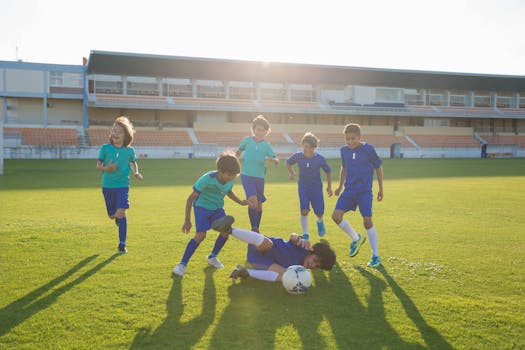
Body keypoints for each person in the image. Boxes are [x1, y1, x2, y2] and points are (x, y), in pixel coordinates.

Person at [172, 151, 248, 277]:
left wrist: (240, 202)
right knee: (201, 235)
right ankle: (182, 265)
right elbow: (190, 199)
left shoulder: (231, 179)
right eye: (229, 175)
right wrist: (187, 220)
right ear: (220, 171)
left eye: (234, 176)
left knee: (226, 231)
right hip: (202, 208)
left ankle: (212, 257)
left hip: (217, 209)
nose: (231, 178)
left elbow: (228, 191)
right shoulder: (207, 179)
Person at [210, 215, 336, 282]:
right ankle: (229, 229)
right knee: (268, 244)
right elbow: (292, 236)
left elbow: (293, 279)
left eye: (318, 266)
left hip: (261, 262)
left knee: (286, 276)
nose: (314, 265)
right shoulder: (303, 247)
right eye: (315, 260)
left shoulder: (300, 271)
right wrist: (298, 238)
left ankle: (246, 272)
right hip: (261, 246)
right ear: (312, 251)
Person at [332, 123, 384, 268]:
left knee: (367, 222)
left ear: (360, 137)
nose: (349, 142)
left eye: (353, 139)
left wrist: (381, 188)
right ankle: (356, 238)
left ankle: (375, 256)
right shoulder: (344, 150)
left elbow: (378, 168)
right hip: (349, 191)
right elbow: (344, 168)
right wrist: (339, 186)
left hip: (364, 192)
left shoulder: (369, 150)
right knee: (336, 216)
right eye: (347, 139)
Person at [96, 116, 143, 254]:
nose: (115, 133)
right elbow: (98, 166)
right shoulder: (105, 148)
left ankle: (122, 244)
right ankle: (116, 217)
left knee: (121, 212)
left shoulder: (129, 151)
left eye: (119, 132)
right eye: (114, 131)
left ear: (126, 135)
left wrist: (136, 172)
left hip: (123, 186)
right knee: (112, 215)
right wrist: (107, 168)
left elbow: (133, 162)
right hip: (108, 186)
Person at [235, 115, 279, 233]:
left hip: (259, 177)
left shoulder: (266, 145)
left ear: (266, 132)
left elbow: (274, 156)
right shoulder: (247, 140)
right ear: (253, 129)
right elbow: (238, 152)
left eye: (263, 130)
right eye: (258, 129)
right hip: (246, 175)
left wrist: (275, 160)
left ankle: (256, 227)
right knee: (253, 200)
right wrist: (233, 159)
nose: (260, 132)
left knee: (259, 204)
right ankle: (253, 227)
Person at [286, 132, 332, 240]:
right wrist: (292, 172)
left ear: (314, 148)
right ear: (302, 145)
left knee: (319, 212)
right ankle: (305, 233)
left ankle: (320, 221)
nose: (307, 149)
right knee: (304, 210)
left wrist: (329, 187)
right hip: (303, 187)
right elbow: (288, 163)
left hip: (316, 188)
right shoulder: (298, 156)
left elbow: (328, 171)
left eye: (310, 147)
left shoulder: (319, 159)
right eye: (306, 146)